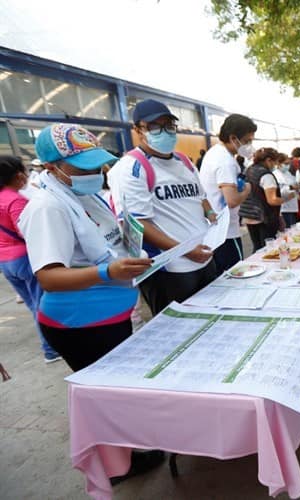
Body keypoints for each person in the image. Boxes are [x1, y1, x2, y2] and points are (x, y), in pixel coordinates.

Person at [18, 123, 164, 481]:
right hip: (80, 324)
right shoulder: (48, 207)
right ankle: (114, 468)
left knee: (114, 394)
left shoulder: (83, 195)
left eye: (96, 165)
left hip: (108, 316)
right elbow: (49, 276)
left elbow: (105, 240)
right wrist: (107, 272)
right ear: (52, 167)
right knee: (106, 400)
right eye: (82, 167)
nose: (93, 173)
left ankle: (124, 456)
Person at [108, 99, 218, 316]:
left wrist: (211, 214)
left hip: (203, 258)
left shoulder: (184, 161)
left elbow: (201, 197)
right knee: (180, 330)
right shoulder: (131, 168)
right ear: (138, 130)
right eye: (154, 127)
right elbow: (137, 223)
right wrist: (186, 250)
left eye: (169, 126)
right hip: (170, 270)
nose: (164, 132)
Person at [0, 155, 60, 362]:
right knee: (42, 306)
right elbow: (28, 231)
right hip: (25, 259)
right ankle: (51, 350)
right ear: (18, 176)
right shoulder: (15, 200)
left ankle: (49, 346)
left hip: (6, 262)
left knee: (33, 305)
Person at [198, 114, 256, 272]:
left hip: (216, 229)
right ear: (233, 138)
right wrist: (247, 190)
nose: (249, 145)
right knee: (235, 274)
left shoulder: (216, 152)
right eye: (247, 141)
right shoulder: (225, 161)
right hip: (226, 232)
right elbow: (231, 200)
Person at [239, 148, 291, 251]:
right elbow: (272, 200)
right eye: (275, 162)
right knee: (267, 248)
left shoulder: (250, 169)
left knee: (257, 246)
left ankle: (257, 266)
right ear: (268, 160)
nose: (275, 165)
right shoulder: (266, 175)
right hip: (264, 217)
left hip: (249, 214)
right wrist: (286, 198)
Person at [274, 153, 300, 228]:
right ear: (278, 163)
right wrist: (291, 187)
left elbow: (293, 184)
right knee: (288, 230)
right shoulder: (276, 175)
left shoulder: (287, 173)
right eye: (285, 164)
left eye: (289, 163)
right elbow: (278, 193)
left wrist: (298, 186)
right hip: (284, 208)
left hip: (292, 206)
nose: (288, 166)